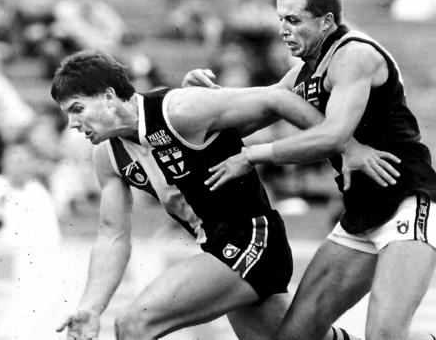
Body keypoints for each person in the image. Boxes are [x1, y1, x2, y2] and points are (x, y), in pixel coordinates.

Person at [51, 51, 398, 340]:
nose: (72, 124)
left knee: (133, 325)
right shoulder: (107, 155)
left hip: (252, 238)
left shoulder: (180, 110)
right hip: (217, 247)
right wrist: (90, 308)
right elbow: (112, 236)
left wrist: (347, 146)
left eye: (77, 109)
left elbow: (276, 98)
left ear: (110, 96)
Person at [183, 0, 436, 339]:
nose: (283, 30)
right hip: (362, 215)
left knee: (385, 333)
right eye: (280, 19)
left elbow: (333, 136)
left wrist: (252, 156)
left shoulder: (354, 55)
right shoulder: (303, 72)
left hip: (409, 202)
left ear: (326, 21)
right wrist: (201, 99)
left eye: (294, 20)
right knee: (296, 336)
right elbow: (249, 110)